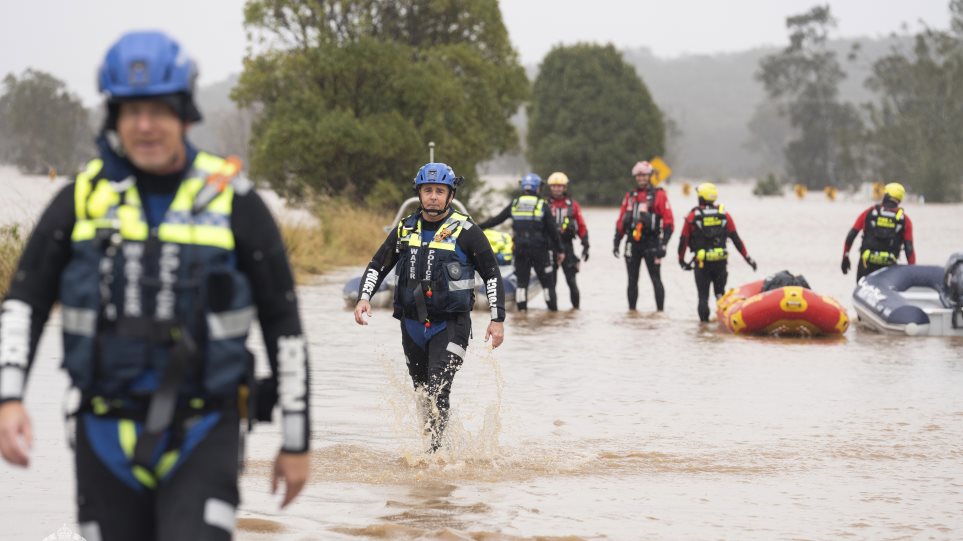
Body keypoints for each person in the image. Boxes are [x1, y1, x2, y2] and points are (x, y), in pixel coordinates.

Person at [0, 31, 310, 540]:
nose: (144, 126)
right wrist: (9, 399)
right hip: (103, 432)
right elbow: (23, 305)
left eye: (159, 110)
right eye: (130, 111)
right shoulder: (79, 201)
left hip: (204, 431)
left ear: (185, 113)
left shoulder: (235, 202)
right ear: (114, 117)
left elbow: (284, 323)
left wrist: (296, 440)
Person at [353, 162, 505, 452]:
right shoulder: (405, 228)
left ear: (450, 195)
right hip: (411, 325)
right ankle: (435, 447)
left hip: (451, 325)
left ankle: (435, 456)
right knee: (422, 393)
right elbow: (377, 265)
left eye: (439, 191)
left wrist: (497, 319)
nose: (433, 196)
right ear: (419, 193)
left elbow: (492, 274)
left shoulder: (467, 230)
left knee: (438, 389)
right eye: (427, 191)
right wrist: (364, 298)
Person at [477, 173, 564, 311]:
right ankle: (552, 313)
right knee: (547, 283)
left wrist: (476, 227)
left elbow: (496, 220)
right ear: (537, 188)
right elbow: (553, 231)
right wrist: (560, 250)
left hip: (520, 249)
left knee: (522, 283)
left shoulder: (515, 203)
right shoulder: (542, 205)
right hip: (539, 250)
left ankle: (522, 314)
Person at [677, 183, 757, 322]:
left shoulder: (692, 216)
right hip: (720, 263)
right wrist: (748, 259)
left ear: (701, 197)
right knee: (720, 294)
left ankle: (704, 329)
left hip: (702, 263)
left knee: (703, 297)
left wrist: (681, 260)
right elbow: (736, 239)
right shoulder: (724, 215)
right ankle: (722, 325)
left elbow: (683, 240)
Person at [613, 161, 674, 311]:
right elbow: (621, 219)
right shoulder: (630, 196)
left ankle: (660, 313)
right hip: (632, 242)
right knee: (632, 280)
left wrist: (663, 243)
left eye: (644, 175)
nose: (641, 179)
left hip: (652, 242)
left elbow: (668, 222)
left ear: (650, 176)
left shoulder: (659, 195)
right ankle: (632, 313)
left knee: (656, 279)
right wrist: (617, 241)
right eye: (638, 176)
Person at [841, 182, 915, 283]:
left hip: (866, 266)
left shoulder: (869, 213)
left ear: (886, 195)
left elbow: (851, 235)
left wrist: (845, 256)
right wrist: (913, 272)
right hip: (889, 269)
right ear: (899, 199)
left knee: (863, 290)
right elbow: (909, 249)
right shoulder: (905, 220)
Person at [546, 172, 589, 309]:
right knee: (551, 283)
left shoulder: (573, 205)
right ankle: (553, 314)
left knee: (572, 281)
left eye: (560, 186)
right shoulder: (544, 204)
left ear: (565, 187)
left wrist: (585, 243)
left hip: (567, 247)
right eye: (554, 186)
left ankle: (575, 311)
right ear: (550, 187)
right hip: (549, 247)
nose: (557, 189)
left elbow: (581, 225)